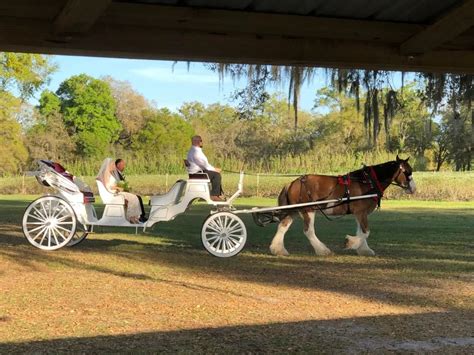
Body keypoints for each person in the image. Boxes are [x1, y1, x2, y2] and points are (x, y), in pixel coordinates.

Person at [97, 158, 142, 224]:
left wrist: (121, 187)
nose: (114, 166)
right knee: (133, 198)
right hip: (111, 194)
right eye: (112, 164)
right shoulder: (106, 174)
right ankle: (131, 217)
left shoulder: (111, 174)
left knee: (134, 197)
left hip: (115, 191)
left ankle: (134, 217)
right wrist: (118, 188)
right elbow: (109, 186)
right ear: (108, 165)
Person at [186, 135, 224, 201]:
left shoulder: (193, 150)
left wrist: (214, 169)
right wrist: (215, 170)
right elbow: (205, 165)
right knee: (216, 175)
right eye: (201, 140)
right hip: (197, 174)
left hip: (196, 173)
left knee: (215, 174)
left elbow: (205, 165)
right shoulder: (196, 152)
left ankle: (217, 194)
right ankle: (214, 196)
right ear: (197, 142)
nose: (202, 142)